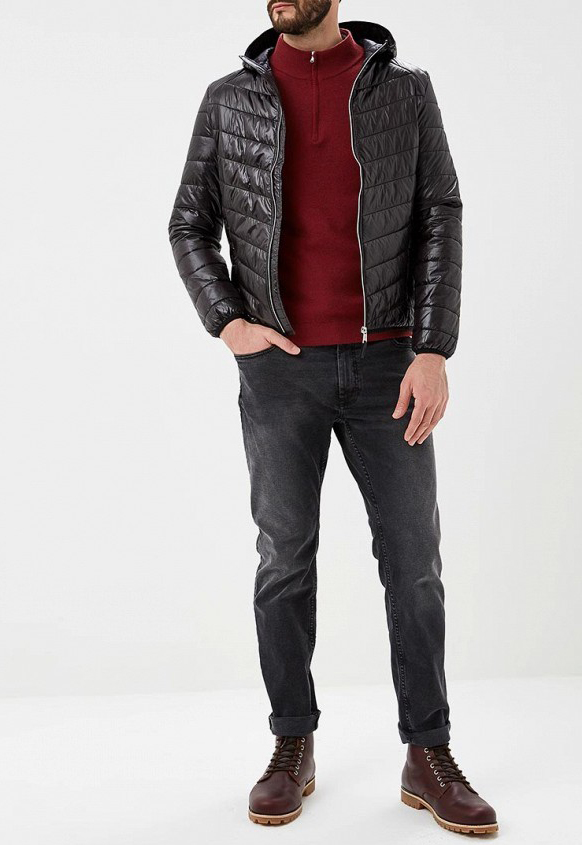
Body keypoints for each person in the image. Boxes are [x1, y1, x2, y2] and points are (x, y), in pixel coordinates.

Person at [168, 0, 498, 834]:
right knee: (284, 560)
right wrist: (228, 321)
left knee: (414, 563)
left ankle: (428, 752)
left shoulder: (404, 91)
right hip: (280, 371)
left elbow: (441, 212)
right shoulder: (229, 100)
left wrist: (434, 347)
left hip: (390, 366)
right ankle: (292, 743)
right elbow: (189, 223)